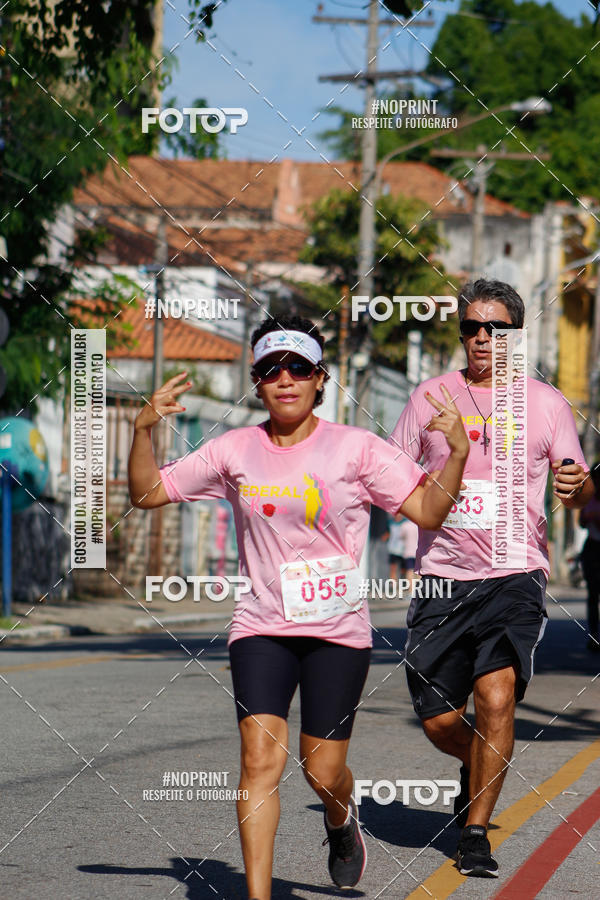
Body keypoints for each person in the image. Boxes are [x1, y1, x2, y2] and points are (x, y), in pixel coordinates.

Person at [128, 314, 469, 900]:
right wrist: (141, 430)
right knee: (259, 760)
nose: (284, 379)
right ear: (257, 382)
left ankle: (340, 819)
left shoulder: (357, 449)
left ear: (320, 379)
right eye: (269, 369)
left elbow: (428, 512)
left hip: (336, 632)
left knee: (321, 770)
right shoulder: (235, 448)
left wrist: (456, 455)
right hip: (260, 626)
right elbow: (147, 492)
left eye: (299, 368)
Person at [390, 279, 593, 879]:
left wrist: (578, 487)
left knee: (496, 696)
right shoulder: (429, 396)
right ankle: (477, 766)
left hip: (514, 572)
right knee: (437, 719)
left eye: (496, 329)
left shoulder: (548, 404)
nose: (483, 338)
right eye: (473, 328)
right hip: (440, 576)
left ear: (515, 336)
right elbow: (390, 475)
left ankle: (474, 832)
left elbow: (578, 484)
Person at [579, 462, 600, 652]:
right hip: (592, 548)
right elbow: (581, 523)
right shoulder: (589, 498)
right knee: (593, 595)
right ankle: (594, 636)